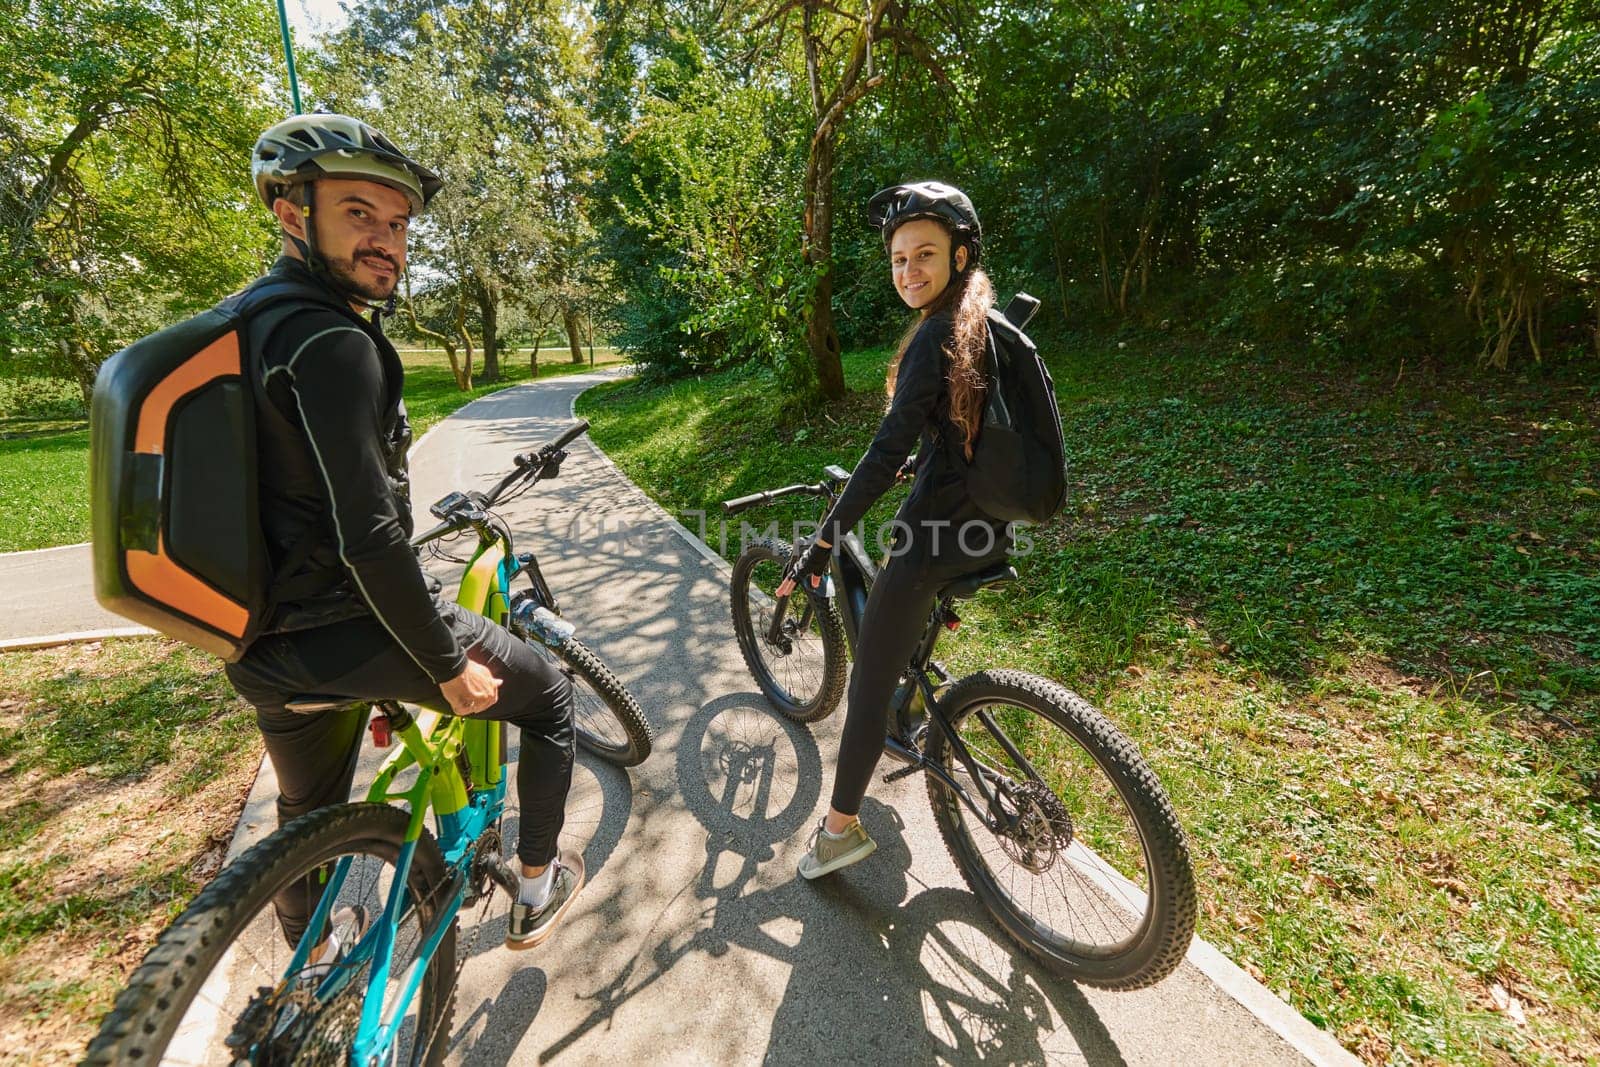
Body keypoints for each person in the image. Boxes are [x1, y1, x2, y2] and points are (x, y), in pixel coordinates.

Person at [226, 113, 583, 955]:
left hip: (255, 644)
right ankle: (535, 890)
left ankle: (309, 964)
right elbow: (372, 542)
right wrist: (446, 665)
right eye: (358, 214)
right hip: (351, 624)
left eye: (397, 223)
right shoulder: (331, 342)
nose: (385, 240)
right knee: (555, 703)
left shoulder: (245, 323)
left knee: (304, 813)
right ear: (290, 211)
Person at [778, 181, 1011, 878]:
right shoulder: (980, 321)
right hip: (984, 526)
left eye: (925, 255)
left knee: (866, 688)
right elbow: (950, 423)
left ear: (960, 255)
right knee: (895, 640)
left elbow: (882, 455)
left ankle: (839, 833)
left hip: (933, 540)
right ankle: (911, 711)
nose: (908, 270)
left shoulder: (936, 334)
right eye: (898, 259)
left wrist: (823, 537)